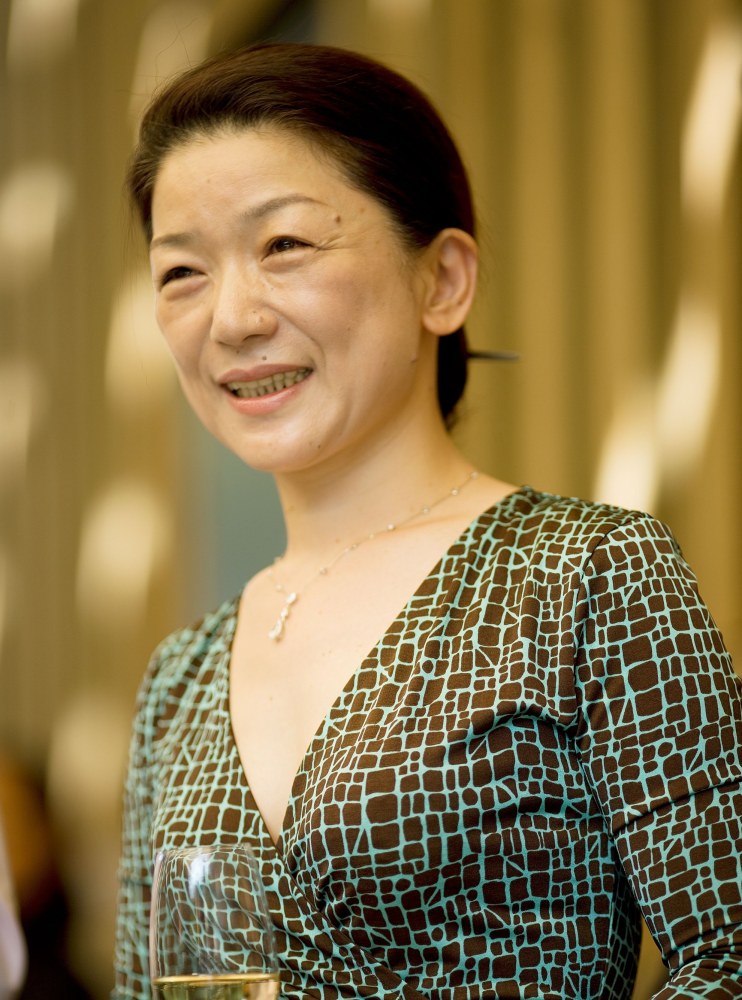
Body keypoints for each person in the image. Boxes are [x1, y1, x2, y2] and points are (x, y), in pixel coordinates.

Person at [113, 42, 742, 999]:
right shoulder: (177, 680)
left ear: (442, 280)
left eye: (284, 245)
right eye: (181, 274)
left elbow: (728, 957)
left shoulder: (586, 572)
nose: (231, 318)